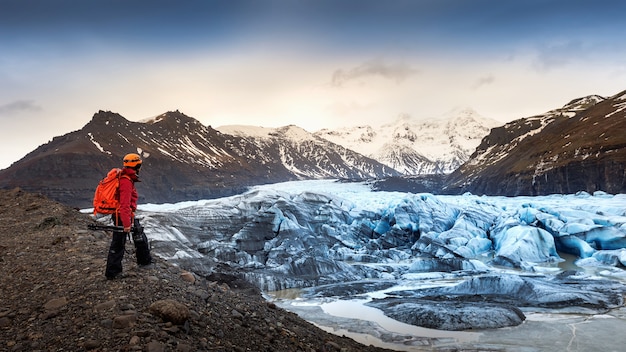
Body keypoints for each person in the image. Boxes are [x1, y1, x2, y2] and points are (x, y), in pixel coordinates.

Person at [105, 153, 153, 280]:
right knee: (118, 243)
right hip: (122, 215)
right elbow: (124, 205)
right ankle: (113, 272)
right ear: (137, 165)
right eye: (140, 165)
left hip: (123, 214)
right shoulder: (126, 181)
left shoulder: (125, 178)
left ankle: (144, 262)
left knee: (138, 235)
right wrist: (126, 224)